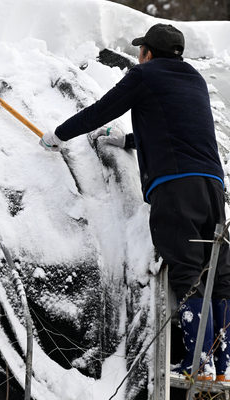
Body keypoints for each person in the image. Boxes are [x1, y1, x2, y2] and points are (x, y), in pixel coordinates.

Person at [40, 23, 230, 381]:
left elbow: (101, 110)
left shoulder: (144, 75)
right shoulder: (195, 81)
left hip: (176, 189)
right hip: (213, 187)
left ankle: (199, 364)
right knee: (219, 276)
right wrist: (128, 140)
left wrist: (58, 135)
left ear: (147, 53)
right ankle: (223, 367)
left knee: (187, 271)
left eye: (141, 51)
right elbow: (176, 131)